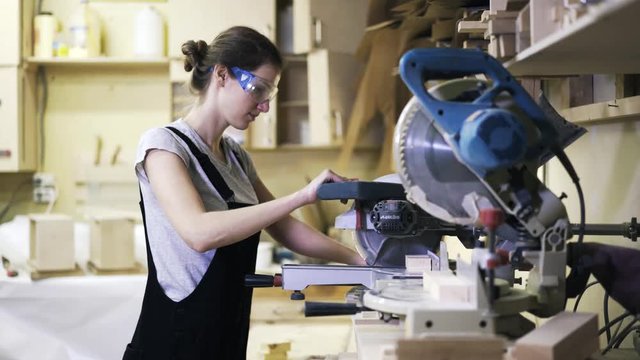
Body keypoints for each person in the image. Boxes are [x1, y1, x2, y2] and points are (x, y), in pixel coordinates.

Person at [123, 26, 365, 360]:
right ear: (222, 75)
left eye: (270, 94)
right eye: (258, 89)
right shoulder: (163, 146)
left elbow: (285, 227)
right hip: (173, 342)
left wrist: (360, 261)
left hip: (226, 336)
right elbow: (199, 232)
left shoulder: (237, 158)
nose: (264, 106)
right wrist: (301, 196)